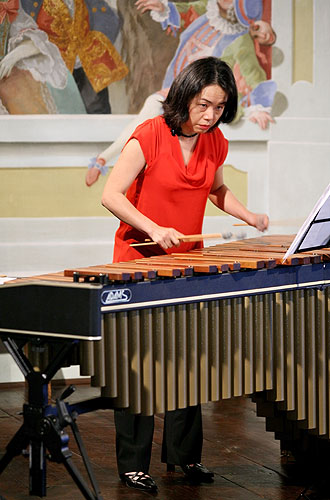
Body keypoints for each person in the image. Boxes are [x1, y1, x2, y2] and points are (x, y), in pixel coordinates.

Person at [101, 56, 269, 492]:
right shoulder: (149, 136)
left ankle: (184, 456)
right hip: (139, 261)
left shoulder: (215, 141)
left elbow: (214, 189)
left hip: (186, 261)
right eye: (203, 104)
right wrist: (153, 227)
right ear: (185, 96)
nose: (211, 115)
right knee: (136, 366)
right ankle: (133, 463)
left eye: (219, 107)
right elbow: (110, 194)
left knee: (186, 358)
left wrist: (247, 214)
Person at [86, 0, 277, 186]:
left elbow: (254, 74)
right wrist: (163, 7)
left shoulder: (240, 40)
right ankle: (106, 159)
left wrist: (258, 106)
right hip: (183, 87)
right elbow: (187, 9)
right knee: (152, 113)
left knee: (158, 120)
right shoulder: (208, 11)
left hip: (198, 98)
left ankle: (105, 159)